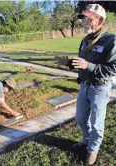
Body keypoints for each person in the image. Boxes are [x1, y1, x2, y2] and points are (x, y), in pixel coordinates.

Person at [55, 4, 116, 165]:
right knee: (81, 118)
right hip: (84, 86)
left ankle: (92, 151)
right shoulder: (85, 40)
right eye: (83, 18)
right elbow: (80, 62)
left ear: (100, 20)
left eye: (89, 18)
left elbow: (113, 69)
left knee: (96, 123)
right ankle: (86, 141)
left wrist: (88, 66)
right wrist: (68, 62)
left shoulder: (111, 40)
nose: (85, 22)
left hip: (100, 88)